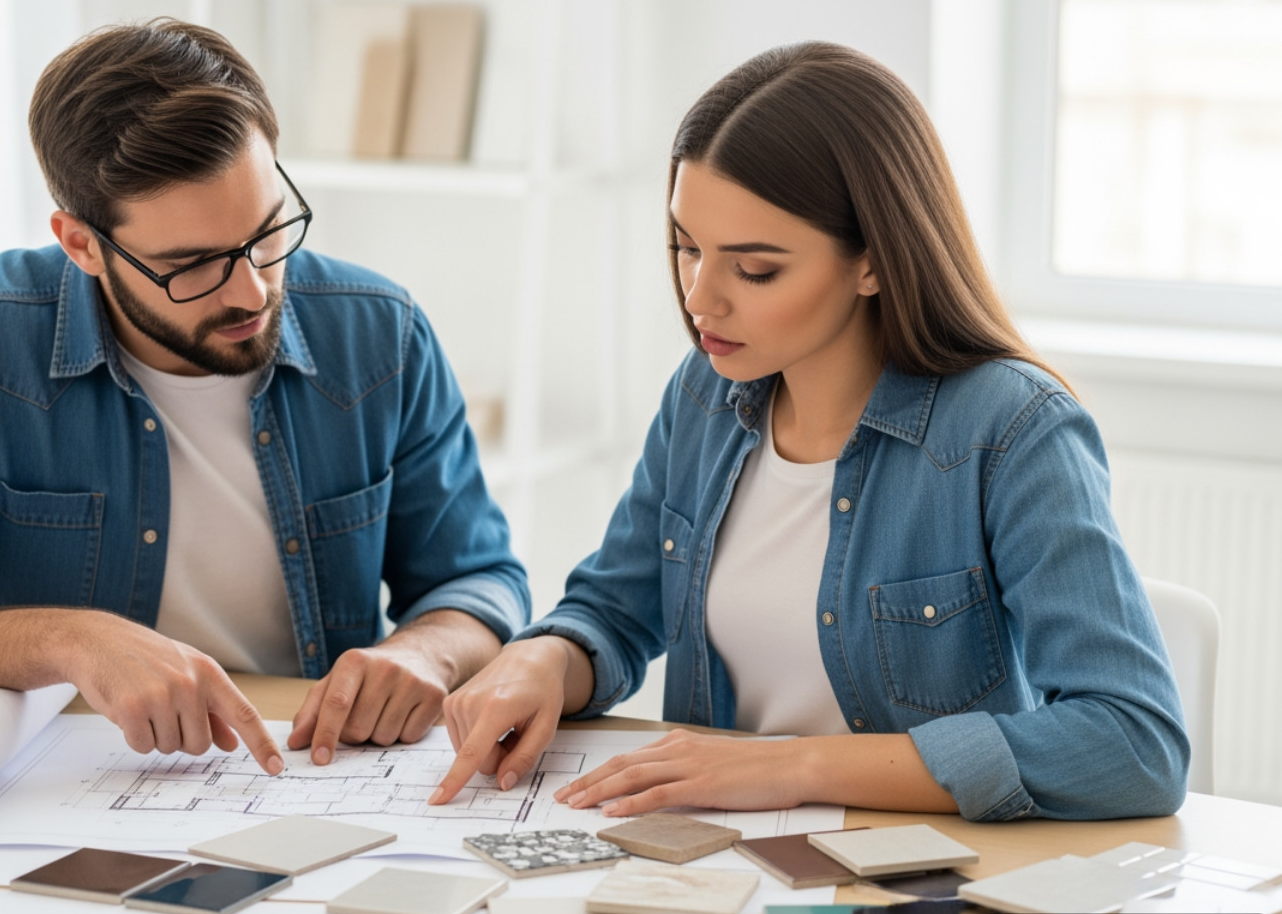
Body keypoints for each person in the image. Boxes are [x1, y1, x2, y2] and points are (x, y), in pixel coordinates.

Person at [431, 42, 1188, 821]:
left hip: (912, 879)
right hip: (720, 864)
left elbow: (1134, 744)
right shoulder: (705, 395)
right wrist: (544, 658)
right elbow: (616, 611)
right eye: (687, 247)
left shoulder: (1012, 432)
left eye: (754, 270)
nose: (700, 300)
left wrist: (792, 768)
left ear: (873, 261)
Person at [0, 20, 528, 773]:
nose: (252, 290)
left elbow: (479, 580)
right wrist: (70, 642)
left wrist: (427, 651)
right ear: (81, 244)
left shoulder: (379, 332)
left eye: (267, 233)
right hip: (76, 789)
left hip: (312, 777)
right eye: (191, 264)